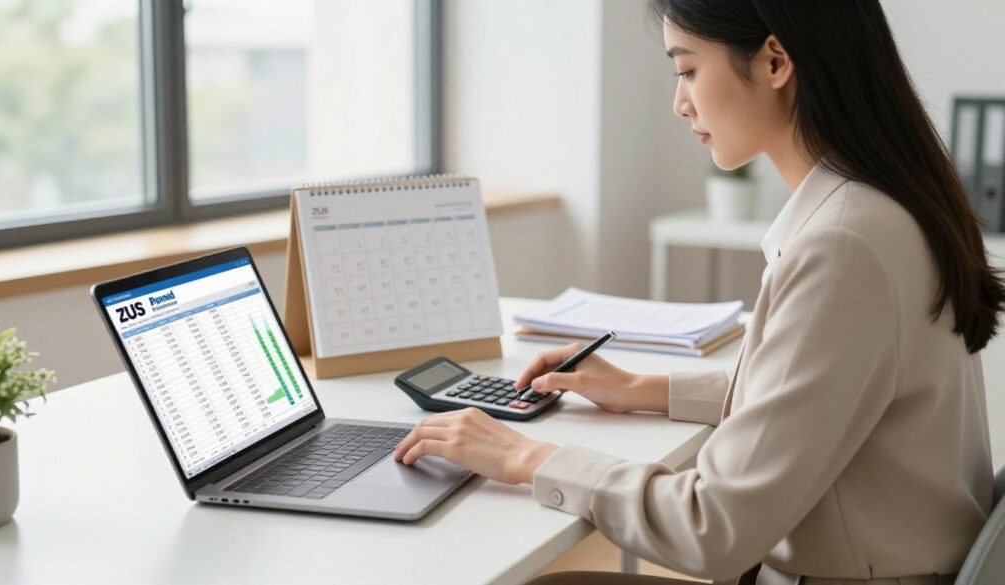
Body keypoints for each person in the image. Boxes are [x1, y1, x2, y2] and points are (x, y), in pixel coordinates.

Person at [393, 1, 1005, 584]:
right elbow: (814, 393)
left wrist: (526, 457)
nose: (679, 103)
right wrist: (641, 388)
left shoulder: (844, 245)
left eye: (687, 70)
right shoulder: (881, 207)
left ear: (775, 62)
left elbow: (713, 523)